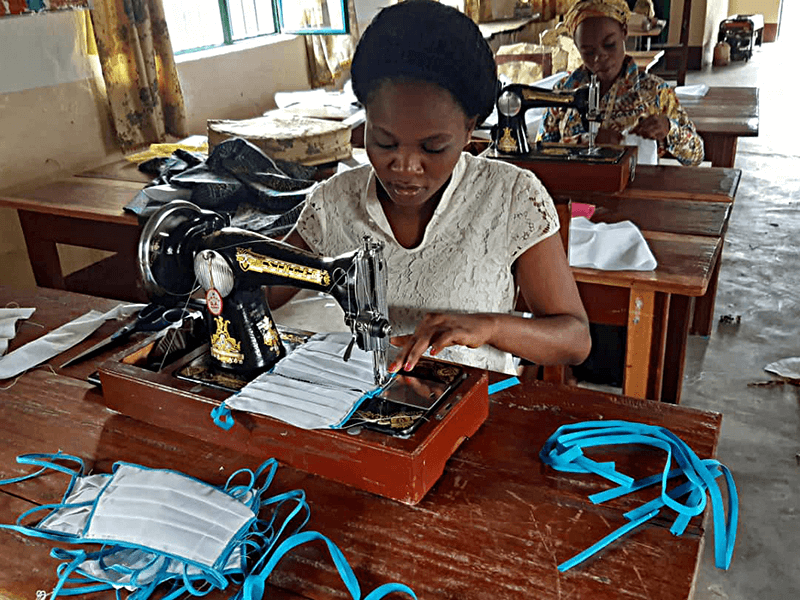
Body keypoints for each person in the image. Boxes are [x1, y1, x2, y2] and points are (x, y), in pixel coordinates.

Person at [273, 0, 591, 376]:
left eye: (433, 147)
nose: (405, 167)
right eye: (385, 142)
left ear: (470, 129)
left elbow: (574, 340)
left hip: (475, 411)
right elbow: (253, 284)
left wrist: (489, 326)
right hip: (356, 407)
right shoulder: (333, 202)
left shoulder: (510, 197)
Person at [541, 0, 704, 166]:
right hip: (573, 186)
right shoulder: (563, 90)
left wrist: (669, 129)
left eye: (610, 45)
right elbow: (541, 152)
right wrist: (584, 141)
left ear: (624, 32)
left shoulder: (655, 92)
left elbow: (696, 156)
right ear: (577, 46)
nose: (599, 57)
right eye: (588, 52)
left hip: (637, 186)